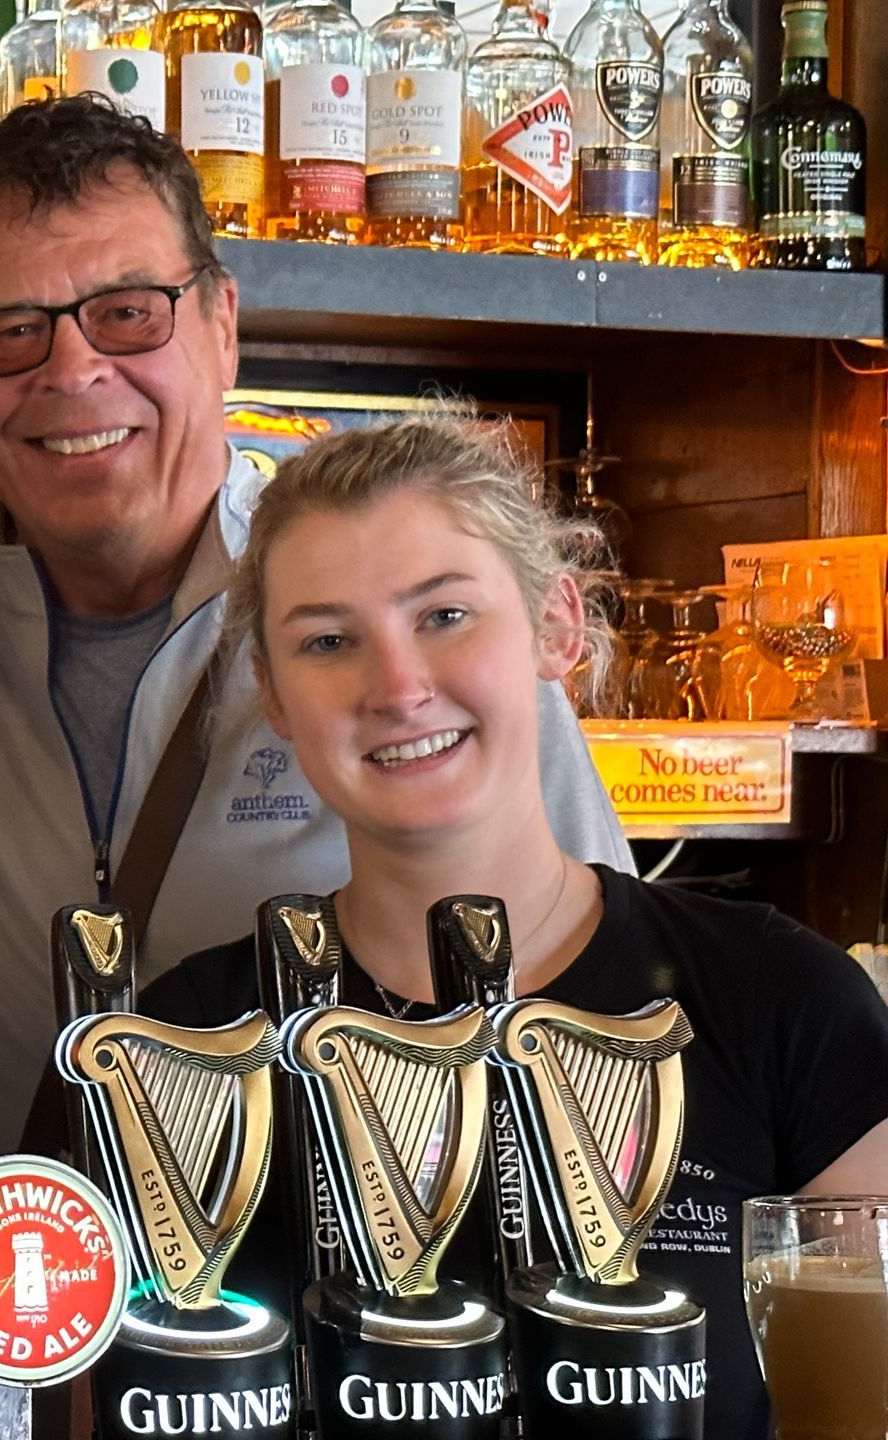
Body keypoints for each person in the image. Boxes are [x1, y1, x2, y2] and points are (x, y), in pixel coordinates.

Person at [0, 94, 635, 1187]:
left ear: (221, 325)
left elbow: (599, 986)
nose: (70, 373)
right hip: (11, 1328)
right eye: (12, 330)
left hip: (356, 1320)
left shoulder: (401, 630)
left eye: (128, 312)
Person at [136, 412, 888, 1440]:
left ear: (556, 626)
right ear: (272, 694)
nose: (398, 687)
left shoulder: (780, 1002)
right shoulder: (184, 1046)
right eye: (327, 641)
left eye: (444, 615)